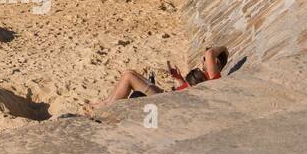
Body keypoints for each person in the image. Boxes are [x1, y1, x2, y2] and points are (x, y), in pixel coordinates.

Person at [94, 47, 229, 108]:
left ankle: (106, 105)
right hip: (167, 96)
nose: (203, 62)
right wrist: (178, 78)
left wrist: (223, 50)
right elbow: (186, 90)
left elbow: (210, 52)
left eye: (204, 60)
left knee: (129, 76)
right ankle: (105, 103)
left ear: (215, 63)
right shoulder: (208, 76)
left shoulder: (214, 77)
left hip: (166, 101)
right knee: (129, 72)